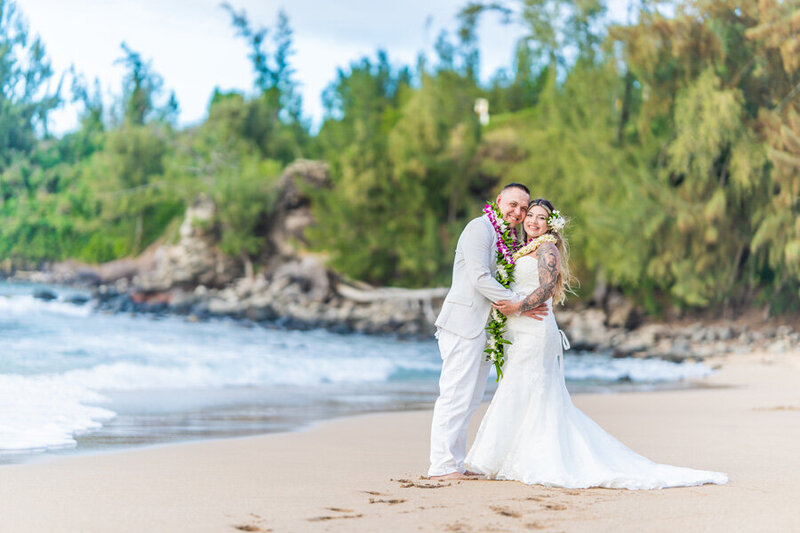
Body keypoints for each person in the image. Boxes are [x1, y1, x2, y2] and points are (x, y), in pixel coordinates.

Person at [465, 199, 728, 489]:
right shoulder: (517, 249)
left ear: (550, 225)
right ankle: (504, 456)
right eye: (531, 216)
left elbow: (546, 288)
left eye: (542, 218)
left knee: (531, 389)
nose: (533, 222)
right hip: (519, 331)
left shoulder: (546, 249)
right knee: (517, 387)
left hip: (536, 330)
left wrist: (515, 307)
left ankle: (534, 458)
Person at [428, 184, 548, 480]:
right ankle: (440, 466)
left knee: (469, 398)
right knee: (454, 394)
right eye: (514, 205)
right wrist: (520, 305)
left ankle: (454, 462)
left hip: (485, 328)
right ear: (498, 201)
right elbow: (479, 277)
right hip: (463, 324)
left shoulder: (504, 236)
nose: (518, 213)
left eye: (523, 208)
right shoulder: (479, 229)